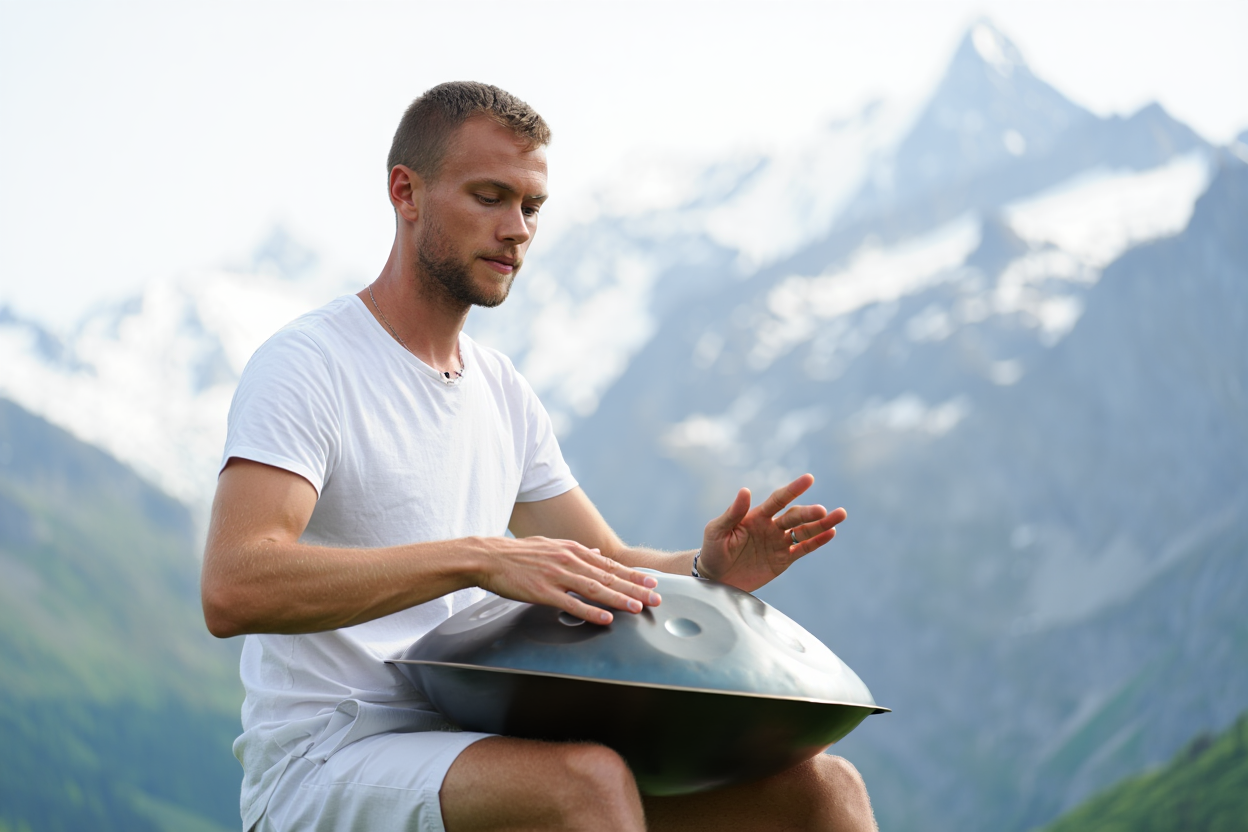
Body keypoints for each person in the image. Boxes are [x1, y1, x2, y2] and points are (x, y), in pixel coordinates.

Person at [201, 81, 874, 832]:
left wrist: (707, 571)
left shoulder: (501, 390)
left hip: (476, 743)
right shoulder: (309, 364)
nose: (517, 229)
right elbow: (234, 586)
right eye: (490, 197)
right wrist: (477, 557)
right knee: (584, 784)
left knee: (825, 791)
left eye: (532, 207)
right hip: (328, 758)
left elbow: (605, 557)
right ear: (406, 193)